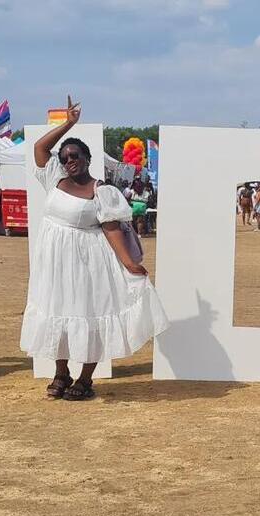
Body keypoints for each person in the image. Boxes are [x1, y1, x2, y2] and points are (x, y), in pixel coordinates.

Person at [23, 95, 169, 401]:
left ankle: (86, 378)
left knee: (89, 313)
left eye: (75, 155)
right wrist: (69, 123)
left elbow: (112, 228)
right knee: (55, 311)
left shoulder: (102, 191)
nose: (68, 161)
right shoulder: (54, 178)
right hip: (53, 262)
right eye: (64, 157)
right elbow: (38, 148)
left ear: (88, 158)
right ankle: (61, 373)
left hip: (86, 262)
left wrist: (130, 263)